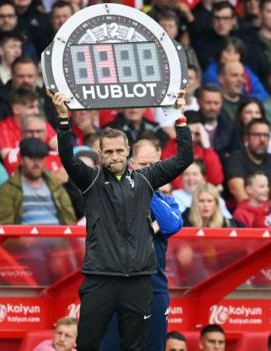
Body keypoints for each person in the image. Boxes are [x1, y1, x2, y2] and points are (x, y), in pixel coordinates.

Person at [49, 90, 193, 351]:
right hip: (99, 278)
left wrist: (179, 116)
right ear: (100, 154)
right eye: (109, 152)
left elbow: (184, 159)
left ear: (128, 152)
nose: (115, 156)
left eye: (119, 151)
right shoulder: (91, 181)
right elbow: (68, 159)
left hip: (138, 280)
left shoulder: (146, 179)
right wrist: (63, 118)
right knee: (88, 345)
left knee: (134, 347)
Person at [100, 138, 185, 351]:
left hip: (154, 290)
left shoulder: (167, 201)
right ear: (131, 165)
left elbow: (171, 225)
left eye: (154, 165)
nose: (149, 170)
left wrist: (146, 190)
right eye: (143, 165)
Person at [0, 137, 75, 225]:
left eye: (40, 158)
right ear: (21, 160)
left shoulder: (56, 186)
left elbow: (69, 221)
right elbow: (3, 228)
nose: (37, 163)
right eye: (31, 158)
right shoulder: (6, 191)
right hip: (23, 237)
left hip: (59, 237)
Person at [225, 118, 271, 203]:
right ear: (246, 138)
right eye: (257, 135)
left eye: (266, 135)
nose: (262, 140)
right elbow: (237, 190)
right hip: (247, 213)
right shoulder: (236, 159)